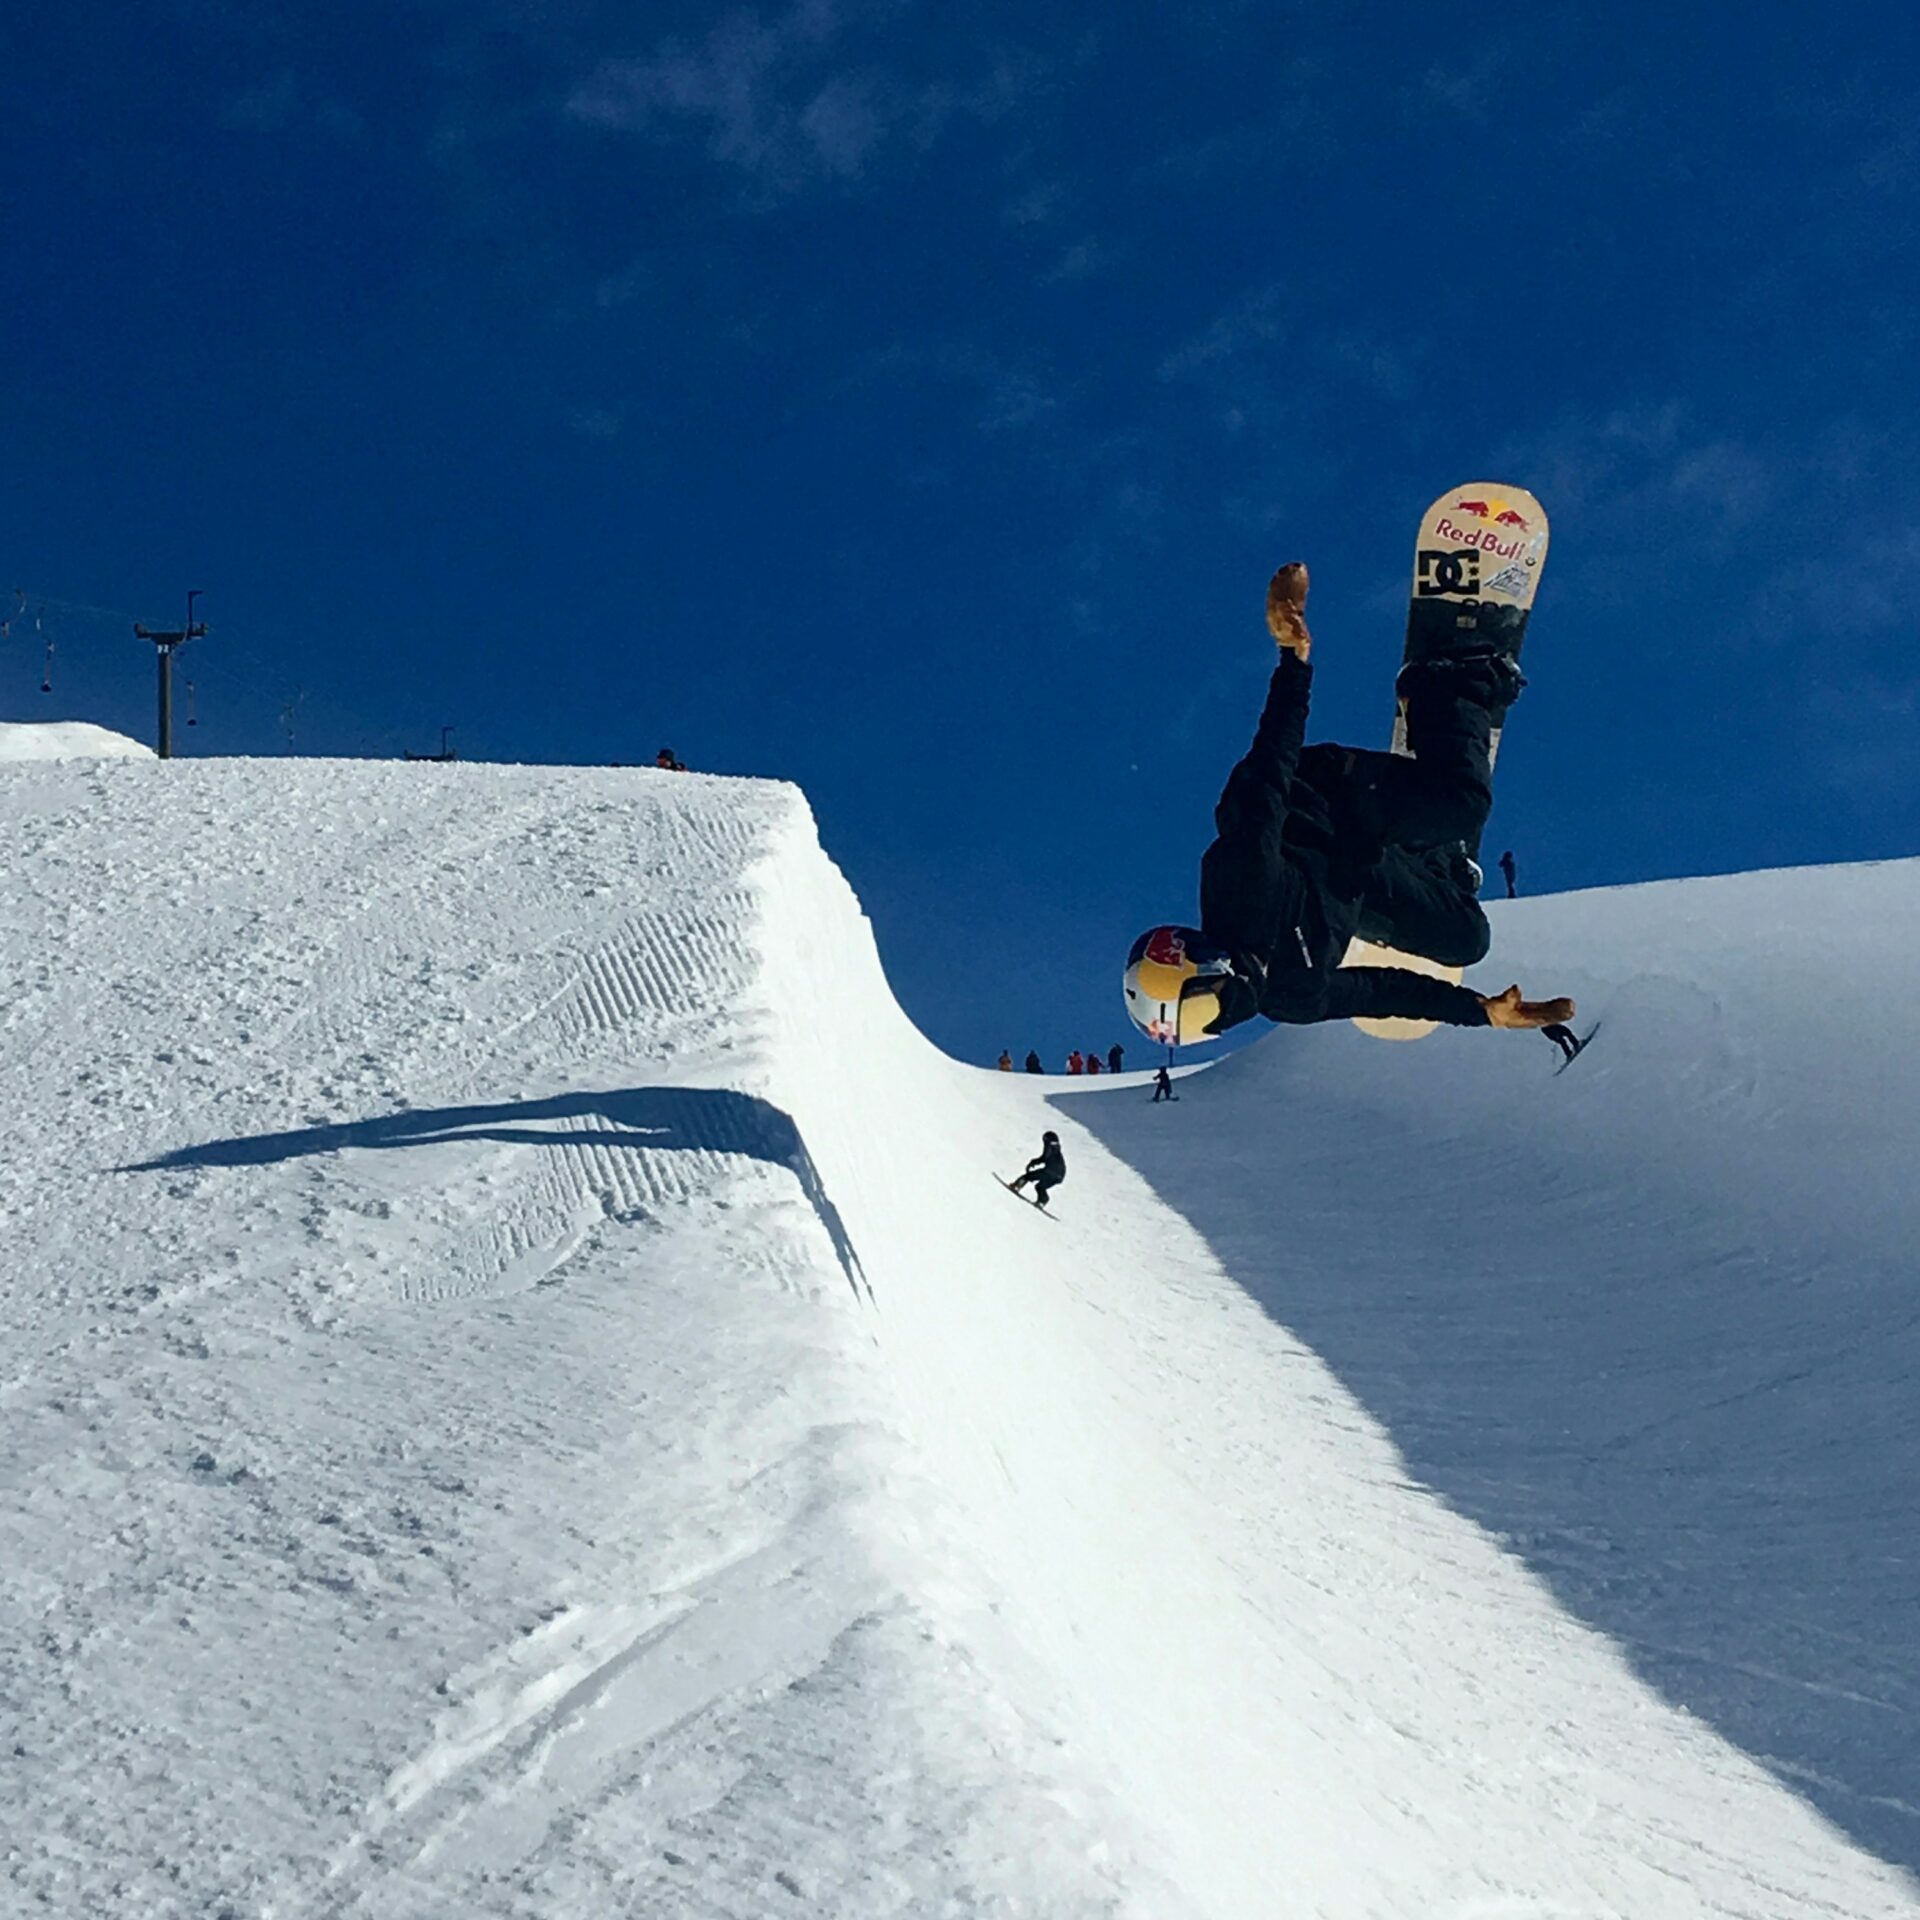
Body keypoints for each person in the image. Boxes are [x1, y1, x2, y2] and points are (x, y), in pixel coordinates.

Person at [1124, 562, 1574, 1044]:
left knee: (1460, 804)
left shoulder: (1240, 886)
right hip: (1352, 876)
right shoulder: (1291, 998)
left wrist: (1292, 661)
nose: (1216, 1022)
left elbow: (1272, 765)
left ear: (1206, 963)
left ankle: (1445, 680)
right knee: (1466, 938)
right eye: (1195, 1032)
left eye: (1199, 1009)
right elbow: (1379, 993)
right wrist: (1482, 1012)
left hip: (1329, 800)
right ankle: (1431, 859)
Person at [1008, 1130, 1067, 1209]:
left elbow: (1045, 1157)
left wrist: (1033, 1162)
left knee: (1028, 1176)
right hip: (1059, 1176)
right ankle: (1042, 1201)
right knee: (1040, 1186)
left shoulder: (1050, 1146)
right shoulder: (1057, 1149)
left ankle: (1016, 1185)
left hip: (1049, 1172)